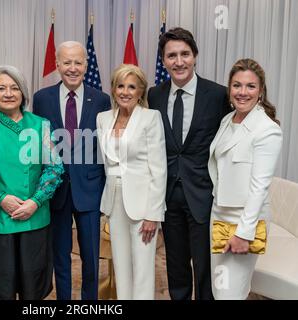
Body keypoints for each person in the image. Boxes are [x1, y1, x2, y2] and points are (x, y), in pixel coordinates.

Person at [0, 65, 64, 300]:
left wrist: (35, 201)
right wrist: (1, 198)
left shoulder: (41, 124)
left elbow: (54, 167)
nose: (8, 93)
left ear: (23, 93)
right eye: (1, 88)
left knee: (33, 289)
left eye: (14, 88)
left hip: (34, 219)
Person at [147, 27, 231, 300]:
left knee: (206, 267)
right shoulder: (154, 95)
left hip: (204, 195)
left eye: (184, 54)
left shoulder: (218, 95)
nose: (178, 61)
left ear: (195, 56)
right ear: (163, 60)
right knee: (176, 265)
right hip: (169, 195)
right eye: (171, 55)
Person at [32, 41, 111, 300]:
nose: (73, 68)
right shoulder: (41, 99)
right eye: (67, 62)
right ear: (57, 65)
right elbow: (39, 145)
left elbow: (104, 147)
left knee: (91, 257)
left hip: (89, 190)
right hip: (55, 191)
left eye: (78, 62)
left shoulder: (101, 99)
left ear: (86, 65)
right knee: (60, 257)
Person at [208, 58, 282, 299]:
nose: (242, 92)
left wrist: (244, 232)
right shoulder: (226, 121)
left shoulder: (267, 129)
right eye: (237, 85)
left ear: (260, 91)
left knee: (230, 293)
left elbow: (259, 187)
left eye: (250, 86)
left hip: (243, 221)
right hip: (219, 216)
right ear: (229, 89)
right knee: (221, 288)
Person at [96, 64, 167, 299]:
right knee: (121, 265)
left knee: (143, 268)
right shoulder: (103, 118)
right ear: (114, 89)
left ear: (140, 92)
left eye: (132, 87)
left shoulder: (150, 117)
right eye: (120, 86)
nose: (125, 92)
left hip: (143, 204)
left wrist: (153, 213)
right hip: (114, 201)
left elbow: (158, 169)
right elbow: (107, 163)